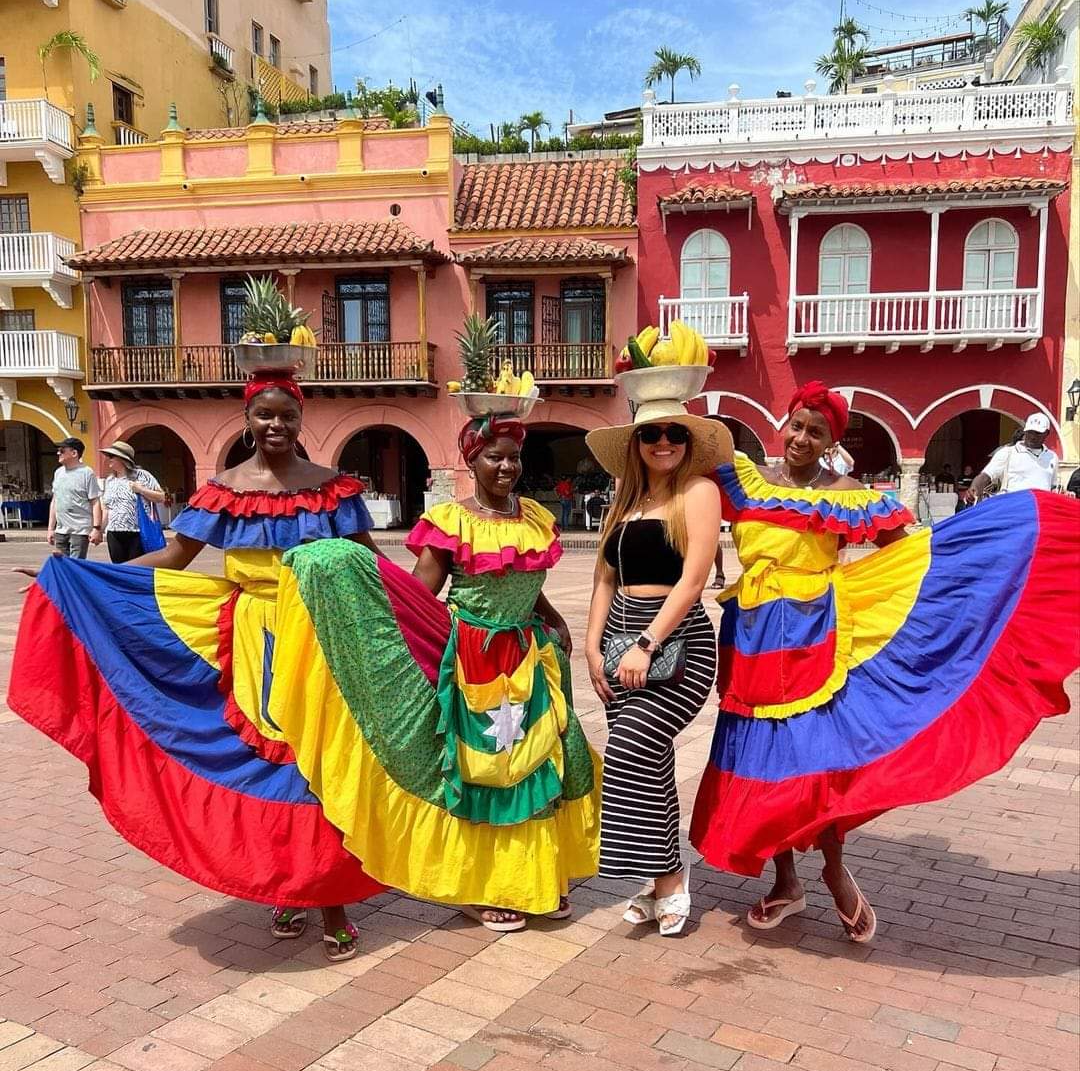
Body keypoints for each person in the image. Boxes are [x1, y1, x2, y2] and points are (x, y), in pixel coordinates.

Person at [10, 373, 383, 959]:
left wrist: (421, 614)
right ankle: (290, 886)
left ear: (301, 418)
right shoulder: (225, 489)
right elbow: (176, 557)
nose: (276, 425)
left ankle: (330, 895)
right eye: (265, 415)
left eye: (287, 414)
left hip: (321, 640)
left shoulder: (332, 489)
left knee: (321, 763)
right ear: (248, 420)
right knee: (275, 764)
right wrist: (76, 575)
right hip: (251, 643)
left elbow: (369, 561)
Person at [691, 381, 1080, 942]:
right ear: (785, 425)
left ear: (831, 441)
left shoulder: (847, 493)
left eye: (816, 432)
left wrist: (957, 560)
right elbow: (680, 469)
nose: (801, 438)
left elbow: (910, 549)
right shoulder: (745, 481)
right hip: (750, 638)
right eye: (796, 425)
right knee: (761, 755)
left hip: (815, 639)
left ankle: (831, 868)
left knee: (819, 757)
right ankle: (785, 881)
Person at [269, 415, 601, 933]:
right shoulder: (451, 521)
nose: (507, 466)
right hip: (473, 664)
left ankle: (535, 879)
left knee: (538, 768)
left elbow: (523, 580)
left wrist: (553, 619)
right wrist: (345, 576)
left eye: (514, 456)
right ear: (471, 461)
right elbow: (419, 594)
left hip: (528, 658)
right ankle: (476, 887)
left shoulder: (535, 516)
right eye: (495, 457)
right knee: (483, 775)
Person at [583, 399, 729, 935]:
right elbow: (603, 578)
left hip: (676, 639)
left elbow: (693, 580)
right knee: (650, 762)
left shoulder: (699, 492)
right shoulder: (625, 502)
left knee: (631, 748)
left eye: (674, 433)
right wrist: (593, 647)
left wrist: (646, 642)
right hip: (621, 638)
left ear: (688, 443)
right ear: (636, 443)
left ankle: (667, 874)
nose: (662, 442)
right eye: (651, 433)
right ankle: (660, 877)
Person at [100, 440, 167, 563]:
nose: (108, 459)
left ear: (122, 459)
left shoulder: (142, 475)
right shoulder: (110, 480)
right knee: (119, 569)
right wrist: (99, 529)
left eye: (112, 456)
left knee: (135, 568)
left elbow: (161, 497)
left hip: (137, 532)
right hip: (114, 532)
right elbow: (106, 508)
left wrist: (141, 490)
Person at [971, 414, 1058, 498]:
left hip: (1040, 509)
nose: (1032, 436)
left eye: (1037, 433)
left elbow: (1052, 486)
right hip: (1013, 507)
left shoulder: (1052, 457)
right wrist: (974, 488)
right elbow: (985, 476)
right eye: (1030, 432)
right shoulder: (1007, 453)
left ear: (1047, 433)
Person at [48, 437, 102, 559]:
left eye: (62, 450)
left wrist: (96, 528)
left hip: (80, 530)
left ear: (74, 453)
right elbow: (55, 501)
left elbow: (95, 501)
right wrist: (51, 528)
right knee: (61, 565)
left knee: (75, 566)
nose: (58, 453)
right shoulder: (58, 473)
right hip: (61, 530)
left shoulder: (87, 473)